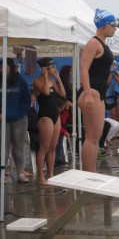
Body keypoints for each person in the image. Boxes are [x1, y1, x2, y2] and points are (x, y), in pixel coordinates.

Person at [77, 9, 115, 172]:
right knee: (91, 137)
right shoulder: (93, 43)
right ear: (104, 25)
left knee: (96, 137)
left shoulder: (102, 44)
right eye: (114, 25)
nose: (115, 28)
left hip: (97, 93)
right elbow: (83, 69)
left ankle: (91, 172)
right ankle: (89, 174)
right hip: (91, 93)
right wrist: (87, 94)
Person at [33, 57, 66, 185]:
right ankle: (41, 177)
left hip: (55, 116)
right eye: (52, 67)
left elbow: (62, 94)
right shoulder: (37, 81)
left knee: (53, 147)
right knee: (44, 147)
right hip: (45, 116)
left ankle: (51, 174)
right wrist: (46, 76)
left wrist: (57, 78)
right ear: (44, 69)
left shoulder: (52, 81)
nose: (55, 69)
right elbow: (46, 92)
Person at [0, 58, 31, 183]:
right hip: (3, 120)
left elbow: (27, 100)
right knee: (4, 147)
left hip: (19, 119)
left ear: (11, 67)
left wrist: (20, 113)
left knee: (19, 146)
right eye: (0, 67)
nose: (1, 70)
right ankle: (2, 172)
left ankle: (20, 173)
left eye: (4, 67)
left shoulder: (21, 81)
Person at [106, 60, 119, 139]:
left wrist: (115, 75)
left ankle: (116, 132)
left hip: (118, 95)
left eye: (114, 65)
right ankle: (112, 132)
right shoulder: (107, 74)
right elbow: (106, 84)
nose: (113, 66)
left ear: (116, 66)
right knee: (112, 114)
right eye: (111, 65)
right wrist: (110, 76)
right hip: (110, 95)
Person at [55, 95, 71, 167]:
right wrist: (64, 131)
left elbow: (63, 122)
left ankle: (57, 158)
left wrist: (66, 110)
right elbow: (58, 124)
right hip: (55, 131)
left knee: (60, 137)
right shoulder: (55, 112)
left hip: (59, 129)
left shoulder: (60, 112)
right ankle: (55, 159)